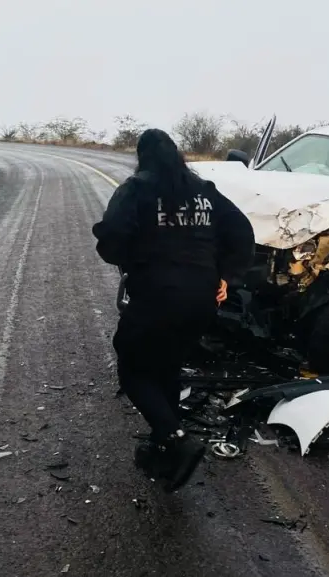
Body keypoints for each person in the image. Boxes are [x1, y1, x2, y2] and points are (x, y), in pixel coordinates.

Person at [91, 128, 254, 493]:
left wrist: (131, 257)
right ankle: (163, 446)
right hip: (202, 299)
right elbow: (241, 230)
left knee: (132, 367)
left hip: (157, 295)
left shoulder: (136, 189)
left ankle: (177, 437)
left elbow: (111, 239)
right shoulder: (204, 192)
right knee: (167, 367)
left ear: (142, 156)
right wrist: (230, 275)